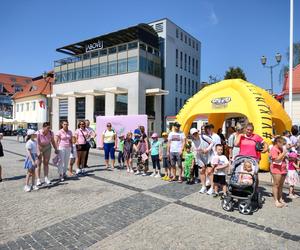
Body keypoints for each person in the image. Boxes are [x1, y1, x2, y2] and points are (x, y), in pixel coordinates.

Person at [190, 128, 214, 193]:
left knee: (209, 171)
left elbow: (212, 142)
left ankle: (212, 187)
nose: (195, 134)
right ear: (192, 135)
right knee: (201, 171)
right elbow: (195, 153)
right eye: (193, 134)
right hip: (200, 157)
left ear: (198, 132)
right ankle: (203, 187)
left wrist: (207, 149)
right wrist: (199, 162)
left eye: (196, 133)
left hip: (209, 156)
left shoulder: (204, 137)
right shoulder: (193, 142)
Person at [269, 136, 288, 208]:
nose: (283, 145)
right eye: (282, 143)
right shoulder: (274, 149)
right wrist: (283, 153)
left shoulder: (281, 148)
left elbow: (282, 157)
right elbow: (276, 159)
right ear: (278, 142)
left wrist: (285, 155)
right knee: (276, 184)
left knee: (281, 185)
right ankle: (276, 200)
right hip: (276, 169)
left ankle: (280, 199)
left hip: (283, 168)